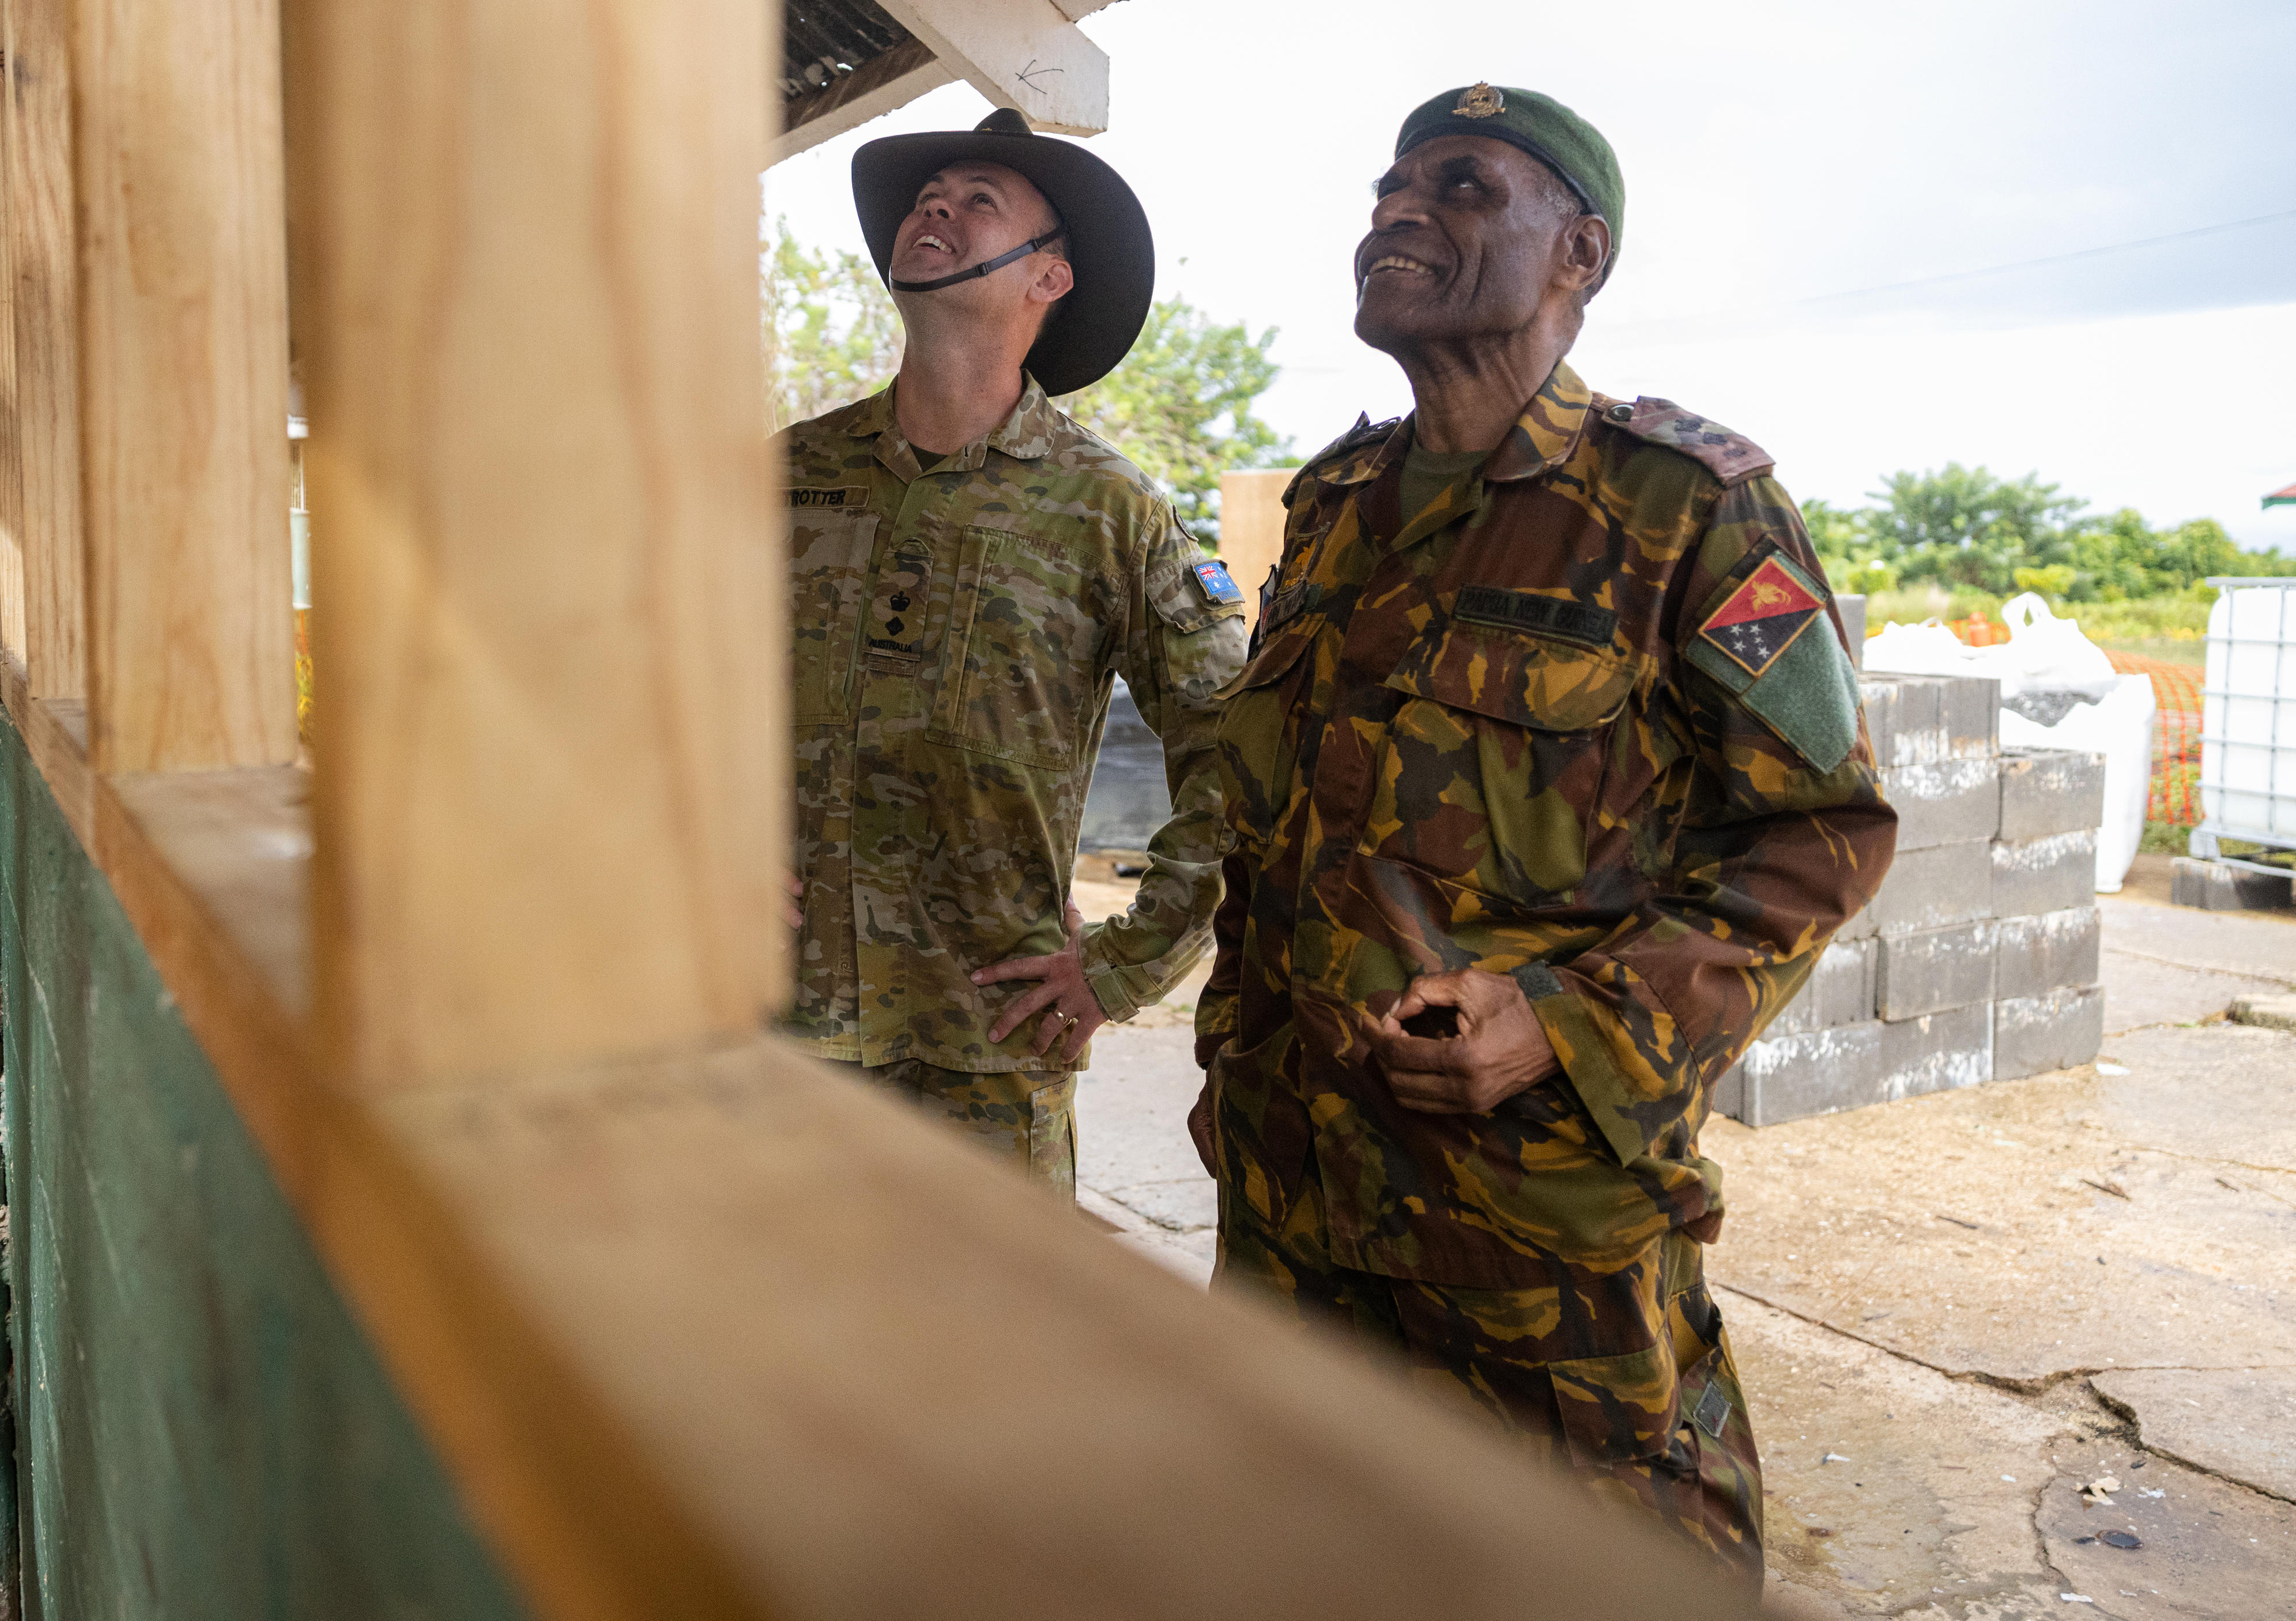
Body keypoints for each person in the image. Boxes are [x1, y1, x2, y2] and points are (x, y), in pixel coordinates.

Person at [1187, 82, 1894, 1580]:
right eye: (1386, 187)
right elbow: (1278, 828)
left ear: (1579, 252)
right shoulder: (1331, 504)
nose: (1397, 212)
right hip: (1289, 1205)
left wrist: (1567, 1022)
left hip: (1528, 1231)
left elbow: (1820, 830)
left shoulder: (1683, 504)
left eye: (1459, 188)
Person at [779, 108, 1249, 1196]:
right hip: (778, 1030)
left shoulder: (1110, 508)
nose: (933, 206)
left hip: (989, 1050)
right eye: (926, 195)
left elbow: (1241, 748)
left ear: (1048, 278)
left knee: (990, 1365)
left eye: (978, 197)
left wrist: (1126, 966)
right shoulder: (782, 478)